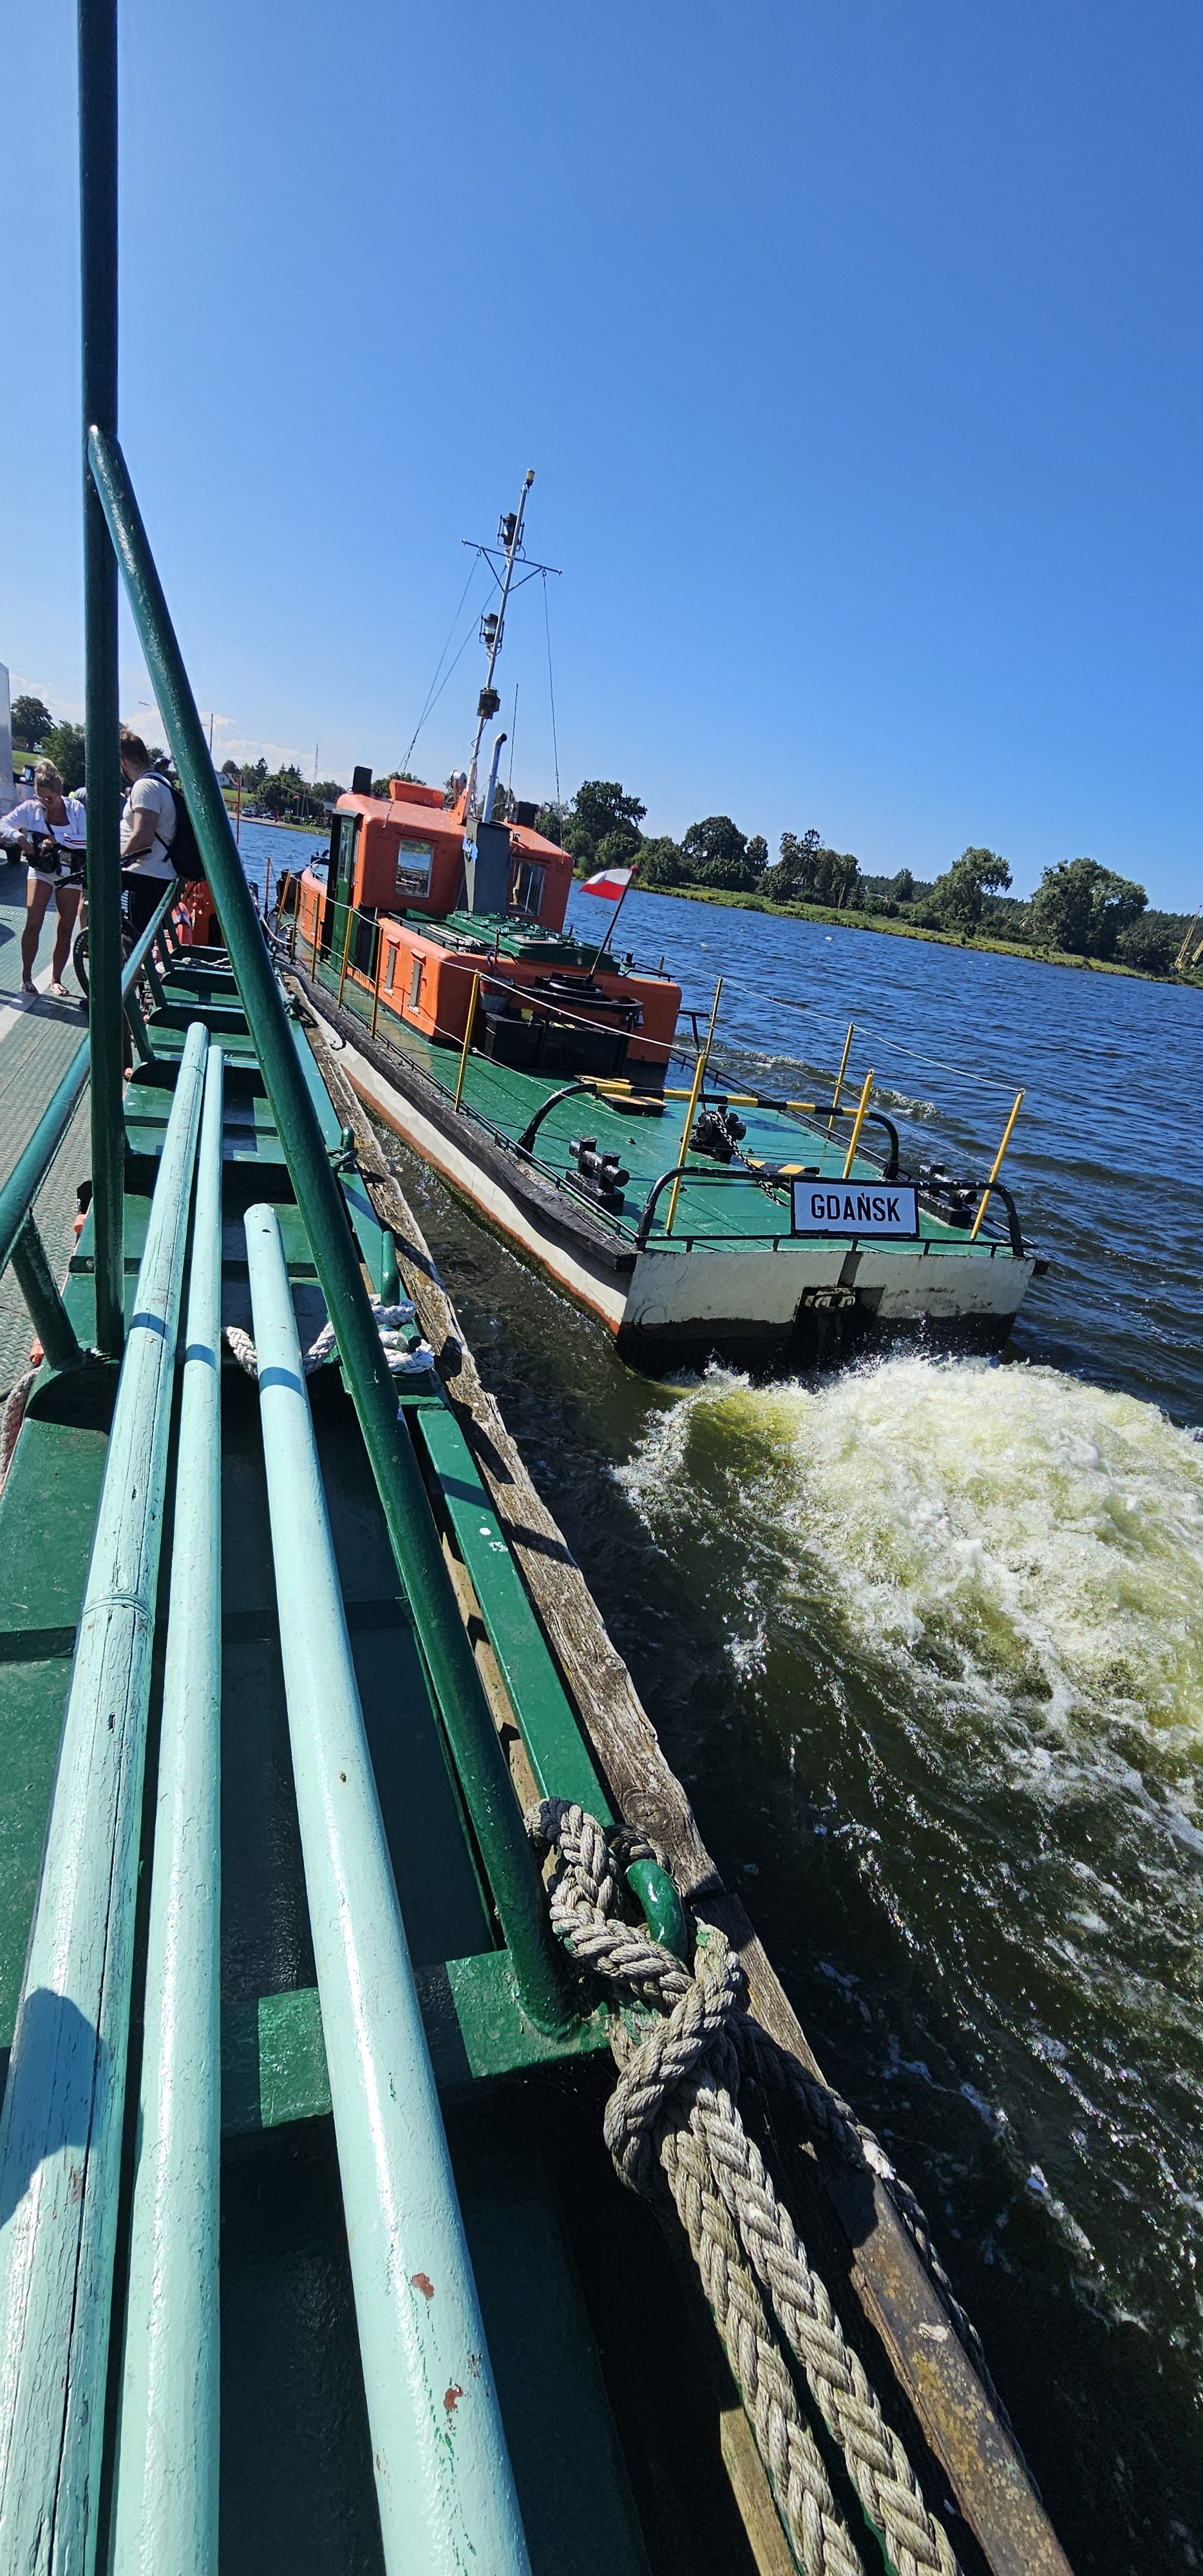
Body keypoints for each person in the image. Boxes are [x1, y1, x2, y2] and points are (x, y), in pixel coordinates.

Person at [0, 760, 87, 998]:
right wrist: (19, 837)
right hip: (41, 868)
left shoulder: (76, 809)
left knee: (65, 926)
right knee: (34, 920)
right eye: (40, 798)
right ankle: (27, 977)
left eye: (49, 798)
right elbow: (4, 823)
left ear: (60, 793)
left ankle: (56, 979)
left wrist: (59, 840)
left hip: (69, 870)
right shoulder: (31, 808)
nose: (44, 803)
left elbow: (87, 839)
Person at [119, 732, 177, 935]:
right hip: (154, 875)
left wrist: (116, 862)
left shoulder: (145, 787)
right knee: (141, 939)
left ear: (123, 760)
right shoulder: (161, 783)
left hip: (144, 876)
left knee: (136, 939)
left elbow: (143, 838)